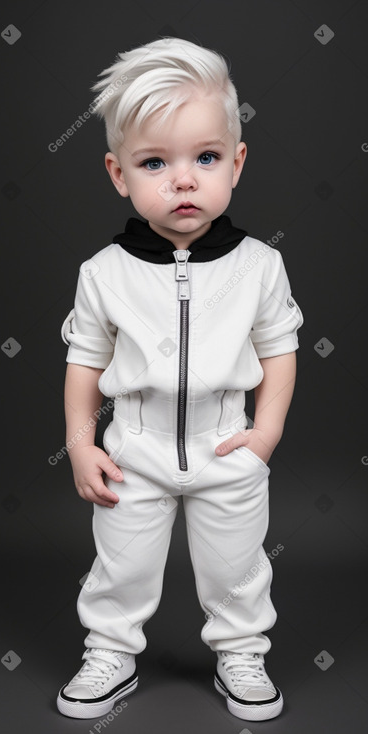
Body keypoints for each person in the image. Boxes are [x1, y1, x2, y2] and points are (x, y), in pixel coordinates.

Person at [56, 36, 304, 722]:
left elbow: (279, 347)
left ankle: (241, 654)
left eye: (205, 158)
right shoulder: (103, 273)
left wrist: (265, 433)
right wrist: (82, 443)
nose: (183, 180)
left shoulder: (258, 265)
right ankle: (108, 651)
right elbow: (84, 361)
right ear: (118, 174)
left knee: (235, 568)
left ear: (236, 162)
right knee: (121, 567)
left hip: (226, 443)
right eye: (154, 163)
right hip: (134, 447)